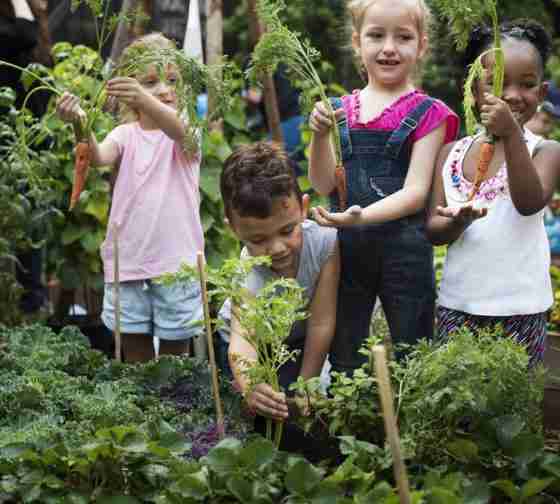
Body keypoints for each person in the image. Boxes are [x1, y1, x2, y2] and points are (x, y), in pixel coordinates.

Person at [307, 0, 459, 373]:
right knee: (346, 346)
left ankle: (414, 424)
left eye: (403, 37)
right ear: (358, 42)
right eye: (376, 35)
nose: (389, 47)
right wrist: (319, 136)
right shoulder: (339, 109)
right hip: (349, 248)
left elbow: (415, 194)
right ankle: (349, 423)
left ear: (421, 45)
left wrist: (360, 218)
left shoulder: (430, 112)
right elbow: (323, 182)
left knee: (414, 346)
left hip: (405, 249)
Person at [56, 33, 204, 362]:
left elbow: (182, 132)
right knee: (134, 352)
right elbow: (96, 156)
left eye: (172, 80)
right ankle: (143, 414)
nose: (164, 90)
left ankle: (173, 412)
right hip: (129, 263)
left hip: (176, 265)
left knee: (174, 358)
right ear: (128, 92)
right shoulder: (124, 135)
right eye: (150, 82)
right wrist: (78, 121)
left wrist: (144, 96)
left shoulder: (186, 132)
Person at [425, 20, 560, 366]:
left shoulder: (544, 151)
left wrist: (512, 134)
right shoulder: (450, 153)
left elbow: (529, 203)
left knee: (512, 406)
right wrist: (458, 223)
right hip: (459, 304)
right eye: (498, 84)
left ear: (542, 94)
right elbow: (433, 231)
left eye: (527, 85)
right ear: (472, 90)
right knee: (458, 402)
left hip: (521, 309)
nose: (513, 95)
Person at [219, 141, 340, 458]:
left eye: (287, 230)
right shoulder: (249, 270)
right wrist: (250, 386)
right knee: (260, 409)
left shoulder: (325, 244)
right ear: (233, 229)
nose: (276, 248)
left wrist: (307, 385)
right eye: (258, 239)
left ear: (302, 207)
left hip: (299, 338)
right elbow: (243, 340)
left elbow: (322, 321)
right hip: (256, 346)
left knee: (314, 405)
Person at [1, 0, 52, 314]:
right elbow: (25, 36)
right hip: (9, 143)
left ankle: (31, 306)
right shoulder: (14, 25)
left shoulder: (34, 19)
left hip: (30, 141)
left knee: (32, 226)